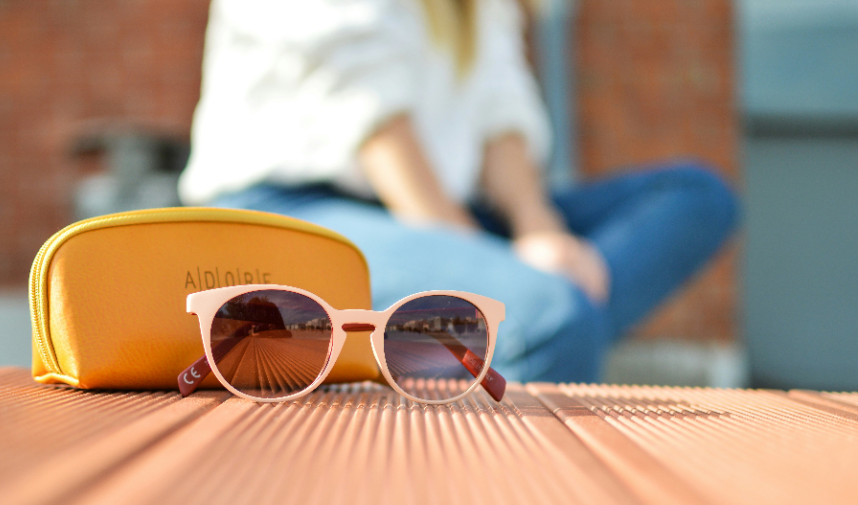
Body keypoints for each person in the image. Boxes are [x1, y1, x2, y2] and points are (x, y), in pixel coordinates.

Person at [178, 0, 737, 383]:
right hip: (293, 212)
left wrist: (538, 230)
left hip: (448, 210)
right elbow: (373, 122)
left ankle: (448, 350)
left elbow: (500, 106)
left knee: (694, 196)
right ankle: (497, 357)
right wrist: (495, 271)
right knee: (553, 319)